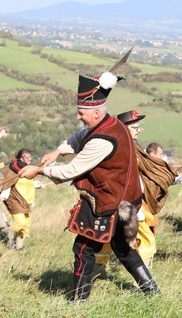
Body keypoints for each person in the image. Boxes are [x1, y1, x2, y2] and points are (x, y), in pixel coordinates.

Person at [20, 70, 159, 302]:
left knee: (84, 249)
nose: (78, 116)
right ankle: (151, 289)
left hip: (108, 202)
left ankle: (78, 300)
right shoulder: (110, 124)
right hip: (122, 199)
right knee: (122, 248)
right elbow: (80, 136)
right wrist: (58, 150)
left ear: (96, 112)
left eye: (81, 112)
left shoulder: (103, 140)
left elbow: (71, 171)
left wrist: (39, 171)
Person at [116, 110, 176, 272]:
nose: (139, 130)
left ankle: (99, 271)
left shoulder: (131, 145)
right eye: (135, 127)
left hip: (129, 200)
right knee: (146, 239)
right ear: (124, 127)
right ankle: (143, 281)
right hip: (127, 201)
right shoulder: (123, 146)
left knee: (113, 238)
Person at [0, 149, 35, 251]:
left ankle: (19, 246)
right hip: (14, 199)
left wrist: (38, 185)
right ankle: (9, 238)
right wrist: (3, 196)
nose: (30, 159)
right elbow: (8, 183)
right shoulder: (14, 170)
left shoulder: (27, 170)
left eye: (30, 157)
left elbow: (27, 184)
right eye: (27, 157)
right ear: (21, 158)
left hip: (25, 201)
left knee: (26, 225)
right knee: (20, 222)